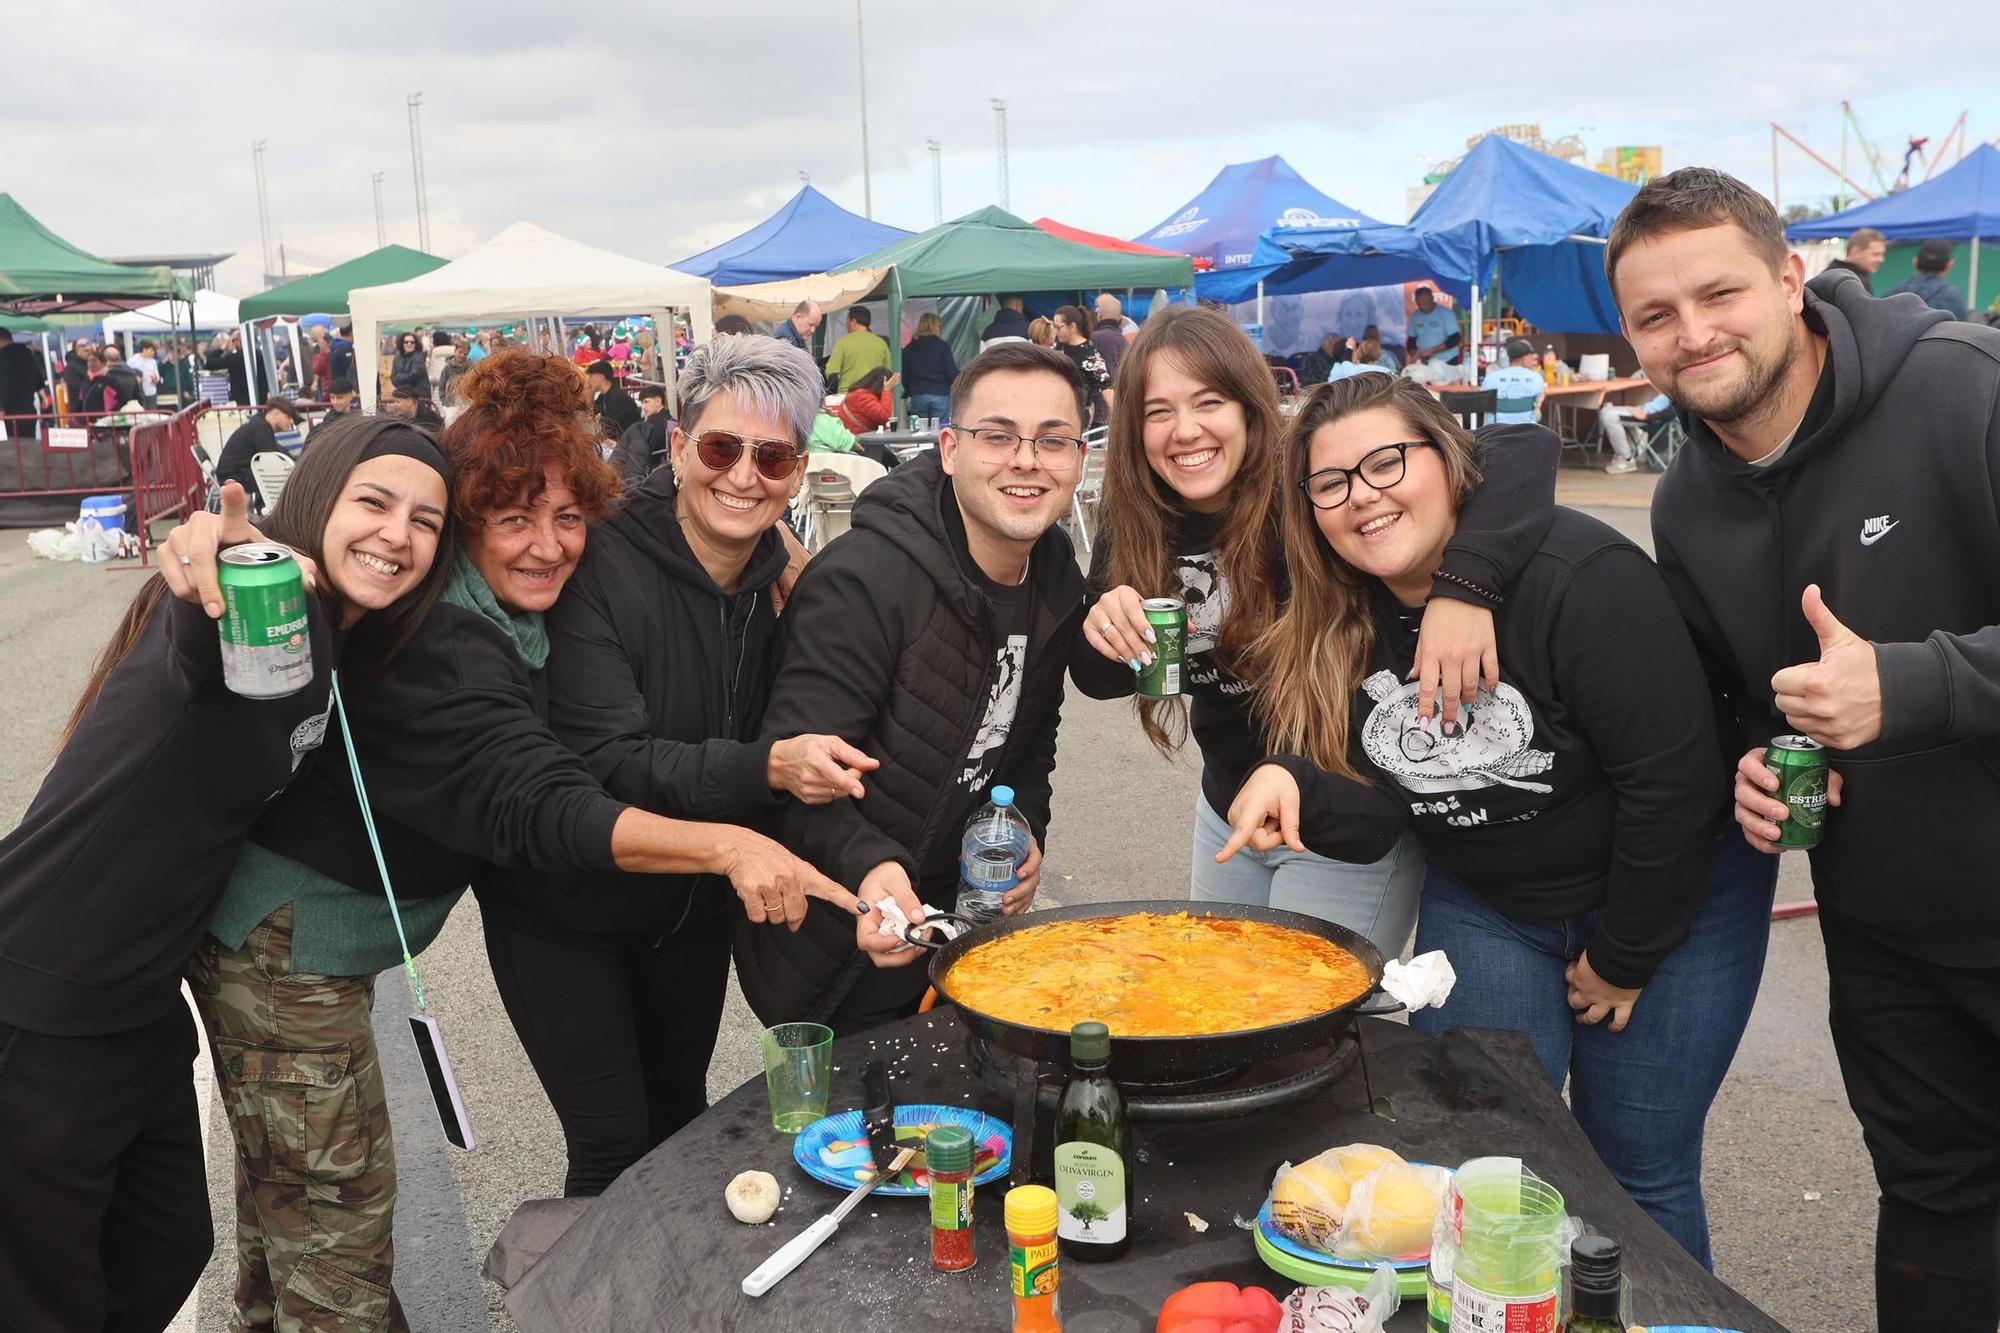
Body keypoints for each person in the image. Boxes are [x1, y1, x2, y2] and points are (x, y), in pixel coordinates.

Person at [166, 354, 865, 1321]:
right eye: (512, 519)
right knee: (338, 1233)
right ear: (470, 522)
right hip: (294, 946)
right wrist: (730, 842)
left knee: (286, 1205)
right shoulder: (449, 637)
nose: (547, 545)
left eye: (567, 518)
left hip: (333, 941)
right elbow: (544, 800)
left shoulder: (504, 607)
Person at [1224, 372, 1775, 1265]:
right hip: (1492, 909)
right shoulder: (1340, 614)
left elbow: (1671, 790)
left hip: (1670, 902)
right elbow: (1381, 812)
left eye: (1386, 462)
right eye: (1331, 482)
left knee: (1636, 1171)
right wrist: (1298, 783)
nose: (1362, 496)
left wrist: (1624, 957)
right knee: (1472, 1161)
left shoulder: (1580, 577)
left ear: (1450, 461)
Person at [1607, 166, 2000, 1330]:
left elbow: (1891, 686)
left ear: (1788, 279)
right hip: (1885, 936)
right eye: (1654, 317)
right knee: (1932, 1203)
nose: (1693, 334)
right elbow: (1755, 703)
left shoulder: (1960, 392)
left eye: (1718, 293)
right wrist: (1754, 759)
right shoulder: (1683, 501)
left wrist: (1916, 681)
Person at [0, 416, 454, 1333]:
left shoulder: (338, 640)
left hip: (141, 1002)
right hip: (37, 995)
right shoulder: (261, 610)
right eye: (374, 502)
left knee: (169, 1245)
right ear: (320, 497)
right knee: (42, 1296)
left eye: (426, 520)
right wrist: (215, 548)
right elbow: (197, 622)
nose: (397, 533)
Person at [499, 335, 906, 1192]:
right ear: (680, 449)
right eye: (721, 448)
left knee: (680, 1121)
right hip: (564, 910)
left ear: (799, 472)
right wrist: (769, 767)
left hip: (686, 914)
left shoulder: (780, 579)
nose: (743, 476)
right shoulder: (599, 559)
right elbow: (609, 760)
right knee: (613, 1149)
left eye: (773, 457)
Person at [1075, 305, 1556, 960]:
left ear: (1248, 405)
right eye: (1158, 412)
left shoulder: (1306, 486)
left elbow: (1522, 449)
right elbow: (1101, 678)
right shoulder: (1135, 520)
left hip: (1347, 815)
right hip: (1229, 806)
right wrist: (1103, 624)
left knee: (1301, 1026)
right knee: (1220, 1007)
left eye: (1208, 401)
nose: (1184, 431)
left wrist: (1463, 588)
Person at [742, 341, 1096, 1030]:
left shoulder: (1053, 572)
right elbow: (788, 775)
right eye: (998, 436)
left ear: (1080, 459)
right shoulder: (864, 580)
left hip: (962, 942)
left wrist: (1024, 827)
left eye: (1052, 441)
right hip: (834, 945)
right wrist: (871, 865)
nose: (1026, 460)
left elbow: (1028, 743)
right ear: (951, 448)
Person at [214, 397, 306, 511]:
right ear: (276, 413)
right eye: (288, 417)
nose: (291, 422)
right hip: (234, 476)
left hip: (235, 472)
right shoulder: (261, 429)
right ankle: (268, 509)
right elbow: (272, 458)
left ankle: (264, 508)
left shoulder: (259, 424)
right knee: (278, 476)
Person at [1052, 304, 1114, 427]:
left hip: (1078, 412)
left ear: (1072, 327)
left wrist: (1118, 415)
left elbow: (1105, 385)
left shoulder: (1090, 353)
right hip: (1055, 407)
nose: (1055, 332)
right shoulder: (1057, 347)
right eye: (1054, 327)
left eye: (1059, 327)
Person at [1594, 380, 1671, 476]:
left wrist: (1647, 417)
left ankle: (1626, 458)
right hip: (1642, 410)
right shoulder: (1671, 388)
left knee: (1609, 415)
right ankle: (1621, 456)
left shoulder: (1679, 394)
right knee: (1605, 411)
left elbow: (1670, 413)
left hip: (1647, 417)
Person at [1884, 237, 1972, 320]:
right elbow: (1963, 330)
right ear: (1949, 264)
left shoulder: (1896, 291)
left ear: (1915, 262)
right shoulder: (1951, 296)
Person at [613, 382, 674, 488]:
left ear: (659, 401)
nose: (643, 407)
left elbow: (635, 461)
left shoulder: (640, 428)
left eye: (646, 402)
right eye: (642, 403)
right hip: (669, 476)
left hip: (640, 480)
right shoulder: (674, 424)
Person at [902, 311, 958, 423]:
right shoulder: (942, 346)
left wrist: (910, 391)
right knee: (940, 432)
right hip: (940, 394)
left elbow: (905, 377)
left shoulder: (909, 348)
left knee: (920, 434)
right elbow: (951, 373)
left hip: (918, 394)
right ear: (936, 327)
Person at [824, 306, 891, 392]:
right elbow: (888, 372)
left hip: (848, 396)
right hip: (873, 396)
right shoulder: (881, 343)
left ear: (853, 321)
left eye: (847, 320)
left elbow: (831, 371)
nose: (846, 324)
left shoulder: (842, 342)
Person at [1482, 337, 1547, 424]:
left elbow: (1484, 402)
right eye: (1531, 356)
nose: (1532, 359)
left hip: (1496, 431)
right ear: (1524, 359)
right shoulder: (1536, 378)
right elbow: (1537, 414)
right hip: (1527, 431)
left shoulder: (1491, 378)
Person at [0, 327, 46, 437]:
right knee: (28, 445)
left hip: (10, 413)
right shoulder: (28, 354)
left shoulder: (3, 357)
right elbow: (39, 379)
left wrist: (1, 406)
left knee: (13, 448)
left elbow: (6, 384)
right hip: (29, 410)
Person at [586, 358, 641, 442]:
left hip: (629, 444)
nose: (588, 380)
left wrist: (592, 442)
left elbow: (610, 430)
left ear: (601, 377)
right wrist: (591, 393)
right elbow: (590, 413)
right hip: (618, 441)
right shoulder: (603, 395)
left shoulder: (617, 397)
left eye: (591, 376)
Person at [1404, 287, 1461, 368]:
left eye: (1426, 304)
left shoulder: (1447, 314)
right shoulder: (1415, 316)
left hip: (1448, 361)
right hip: (1426, 361)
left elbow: (1455, 339)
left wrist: (1432, 350)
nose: (1423, 307)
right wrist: (1414, 354)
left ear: (1432, 299)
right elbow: (1411, 340)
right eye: (1419, 304)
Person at [834, 366, 898, 434]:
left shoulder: (860, 394)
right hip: (856, 438)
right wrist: (887, 391)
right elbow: (884, 416)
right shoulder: (862, 396)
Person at [1823, 226, 1887, 295]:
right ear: (1855, 252)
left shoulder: (1832, 274)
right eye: (1875, 254)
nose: (1881, 260)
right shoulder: (1847, 281)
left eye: (1882, 255)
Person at [1088, 298, 1128, 382]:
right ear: (1119, 317)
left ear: (1101, 315)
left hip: (1107, 390)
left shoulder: (1097, 337)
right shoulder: (1123, 339)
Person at [1324, 337, 1392, 382]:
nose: (1355, 353)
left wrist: (1349, 348)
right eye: (1355, 351)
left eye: (1357, 350)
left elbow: (1346, 364)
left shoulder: (1347, 369)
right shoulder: (1386, 372)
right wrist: (1349, 348)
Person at [390, 331, 430, 400]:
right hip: (403, 396)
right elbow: (393, 378)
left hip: (419, 397)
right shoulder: (397, 357)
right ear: (402, 343)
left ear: (416, 344)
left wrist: (399, 377)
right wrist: (400, 379)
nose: (409, 344)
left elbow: (414, 376)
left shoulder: (418, 357)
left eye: (412, 342)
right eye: (406, 342)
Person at [437, 336, 472, 405]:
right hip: (450, 405)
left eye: (465, 354)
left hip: (466, 405)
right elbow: (441, 389)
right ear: (455, 351)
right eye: (460, 352)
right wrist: (446, 404)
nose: (462, 355)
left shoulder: (471, 369)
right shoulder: (446, 369)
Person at [129, 339, 161, 408]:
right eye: (151, 350)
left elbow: (157, 376)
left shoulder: (153, 362)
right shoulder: (133, 361)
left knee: (152, 414)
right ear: (144, 349)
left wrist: (155, 379)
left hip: (151, 392)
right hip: (138, 393)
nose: (153, 352)